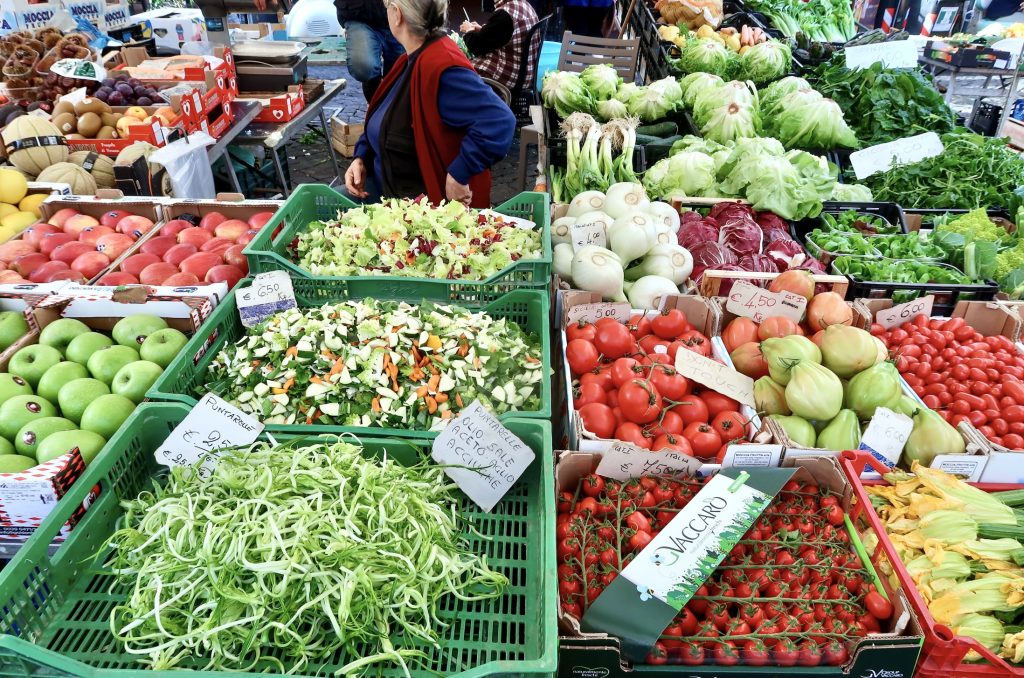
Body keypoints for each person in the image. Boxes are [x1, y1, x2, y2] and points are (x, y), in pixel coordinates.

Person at [344, 0, 516, 207]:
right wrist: (361, 156)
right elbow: (385, 117)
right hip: (387, 189)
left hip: (419, 212)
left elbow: (500, 120)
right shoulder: (410, 59)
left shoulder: (441, 67)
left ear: (397, 14)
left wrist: (459, 173)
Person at [459, 0, 540, 90]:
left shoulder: (505, 14)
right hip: (526, 74)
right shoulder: (523, 4)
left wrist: (468, 30)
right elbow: (504, 33)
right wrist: (483, 29)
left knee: (460, 73)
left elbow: (477, 47)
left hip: (510, 77)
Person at [336, 0, 405, 100]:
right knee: (364, 66)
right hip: (358, 13)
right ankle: (375, 102)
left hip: (400, 11)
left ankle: (392, 104)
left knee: (401, 70)